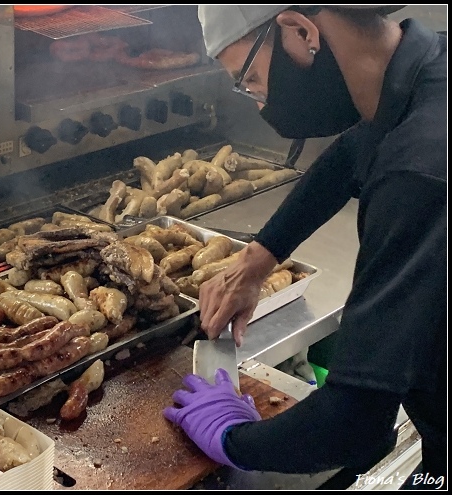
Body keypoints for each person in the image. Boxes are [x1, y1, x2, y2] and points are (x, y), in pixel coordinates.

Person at [163, 5, 446, 490]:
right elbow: (357, 149)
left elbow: (354, 426)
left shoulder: (419, 173)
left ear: (300, 32)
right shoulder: (431, 65)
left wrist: (231, 438)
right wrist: (260, 256)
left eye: (250, 78)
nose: (257, 103)